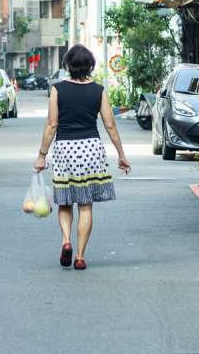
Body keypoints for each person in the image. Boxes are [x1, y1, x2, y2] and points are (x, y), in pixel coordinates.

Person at [34, 44, 131, 270]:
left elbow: (51, 125)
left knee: (65, 201)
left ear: (68, 65)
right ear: (90, 66)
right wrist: (121, 154)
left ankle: (66, 241)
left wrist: (41, 155)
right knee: (85, 205)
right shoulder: (99, 90)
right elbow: (110, 124)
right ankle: (79, 257)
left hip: (65, 149)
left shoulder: (57, 89)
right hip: (90, 149)